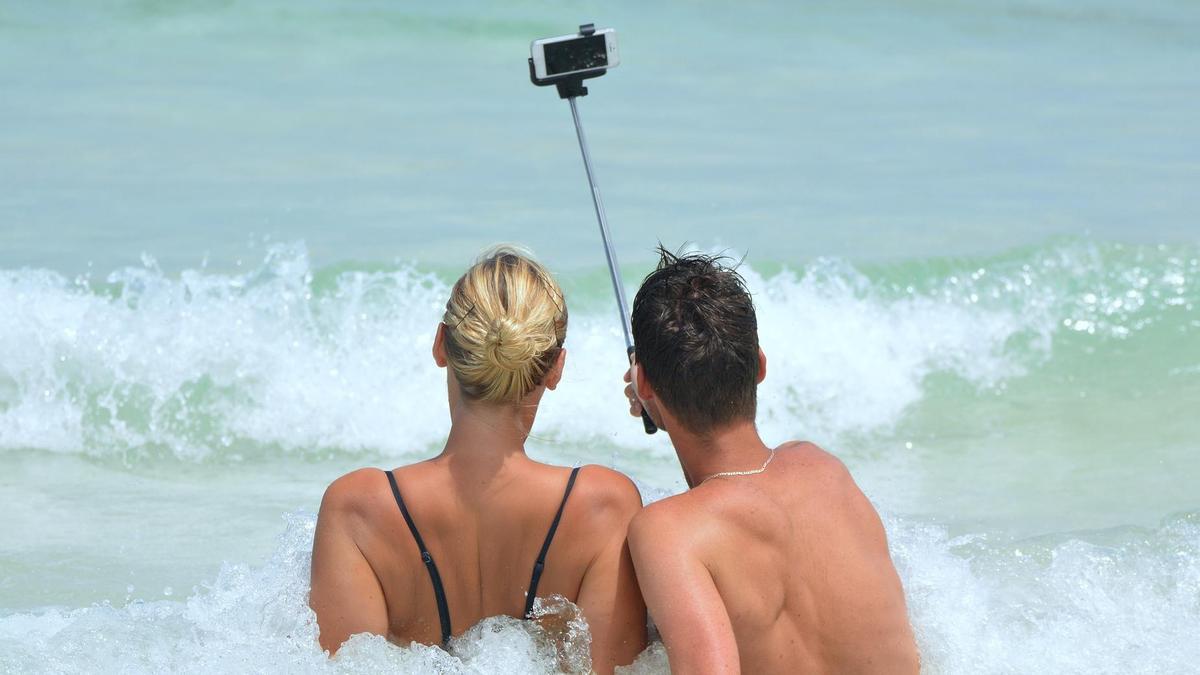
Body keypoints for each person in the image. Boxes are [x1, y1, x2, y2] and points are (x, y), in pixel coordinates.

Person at [310, 246, 646, 673]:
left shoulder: (357, 509)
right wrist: (661, 397)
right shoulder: (605, 506)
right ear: (556, 368)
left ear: (440, 345)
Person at [622, 248, 920, 674]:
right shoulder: (823, 470)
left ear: (644, 383)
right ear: (759, 366)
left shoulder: (668, 532)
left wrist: (661, 402)